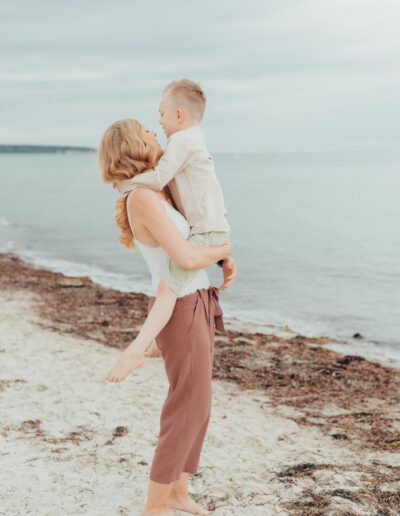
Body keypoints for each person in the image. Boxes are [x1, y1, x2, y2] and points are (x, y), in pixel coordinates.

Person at [99, 118, 237, 515]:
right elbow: (189, 257)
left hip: (196, 301)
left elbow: (201, 232)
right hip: (179, 309)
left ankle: (179, 492)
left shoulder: (160, 189)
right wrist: (224, 248)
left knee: (199, 405)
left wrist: (226, 255)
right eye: (146, 131)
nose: (155, 133)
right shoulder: (142, 198)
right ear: (132, 145)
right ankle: (156, 504)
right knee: (185, 406)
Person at [110, 79, 234, 364]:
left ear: (178, 115)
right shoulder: (190, 140)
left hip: (208, 234)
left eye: (161, 116)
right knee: (167, 290)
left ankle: (139, 349)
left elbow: (158, 177)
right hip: (209, 232)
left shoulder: (180, 142)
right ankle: (148, 345)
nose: (158, 126)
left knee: (167, 290)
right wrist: (223, 254)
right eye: (150, 127)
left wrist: (127, 184)